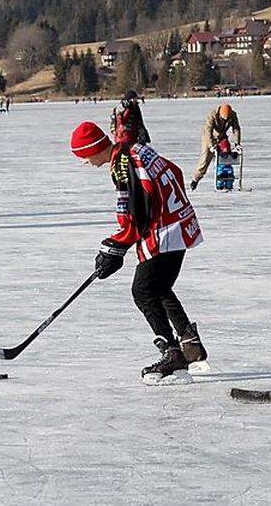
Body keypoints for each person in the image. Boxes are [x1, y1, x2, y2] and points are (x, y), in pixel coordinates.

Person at [69, 121, 208, 386]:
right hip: (179, 225)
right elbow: (174, 172)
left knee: (143, 290)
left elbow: (134, 214)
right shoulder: (137, 150)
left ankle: (172, 352)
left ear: (93, 149)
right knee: (159, 287)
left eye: (84, 156)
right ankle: (190, 345)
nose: (85, 162)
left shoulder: (122, 167)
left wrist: (115, 246)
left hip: (165, 233)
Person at [189, 103, 241, 191]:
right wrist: (210, 146)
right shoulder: (212, 115)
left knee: (226, 154)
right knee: (205, 160)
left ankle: (225, 179)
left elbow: (236, 129)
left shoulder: (233, 115)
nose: (226, 120)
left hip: (221, 137)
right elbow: (208, 131)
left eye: (227, 118)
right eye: (224, 118)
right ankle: (195, 180)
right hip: (209, 138)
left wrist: (237, 143)